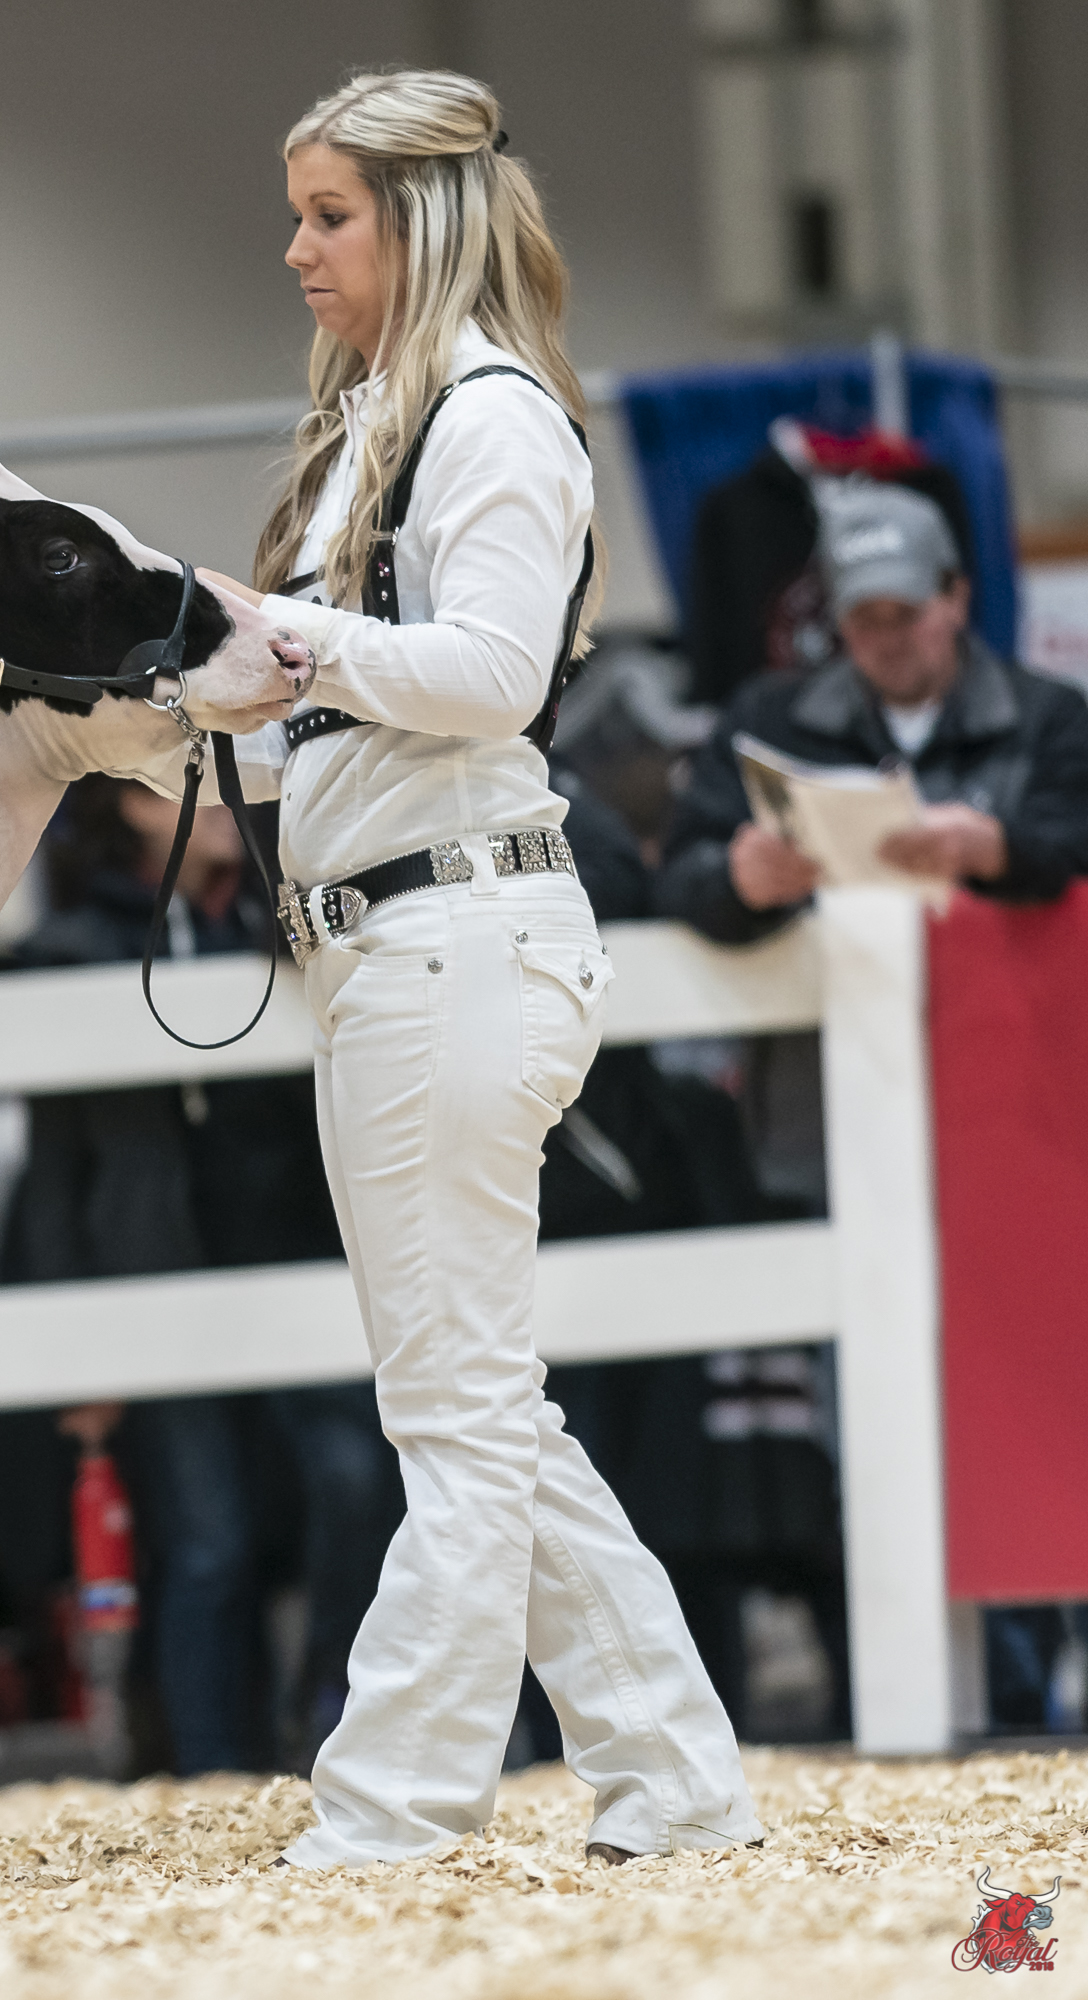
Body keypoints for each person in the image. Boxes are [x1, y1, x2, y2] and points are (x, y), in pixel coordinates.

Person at [193, 68, 764, 1867]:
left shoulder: (492, 416)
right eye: (297, 216)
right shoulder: (379, 421)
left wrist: (285, 637)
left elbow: (496, 675)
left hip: (456, 934)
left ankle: (391, 1808)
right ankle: (677, 1783)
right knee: (481, 1407)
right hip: (393, 944)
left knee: (452, 1412)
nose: (299, 251)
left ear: (422, 218)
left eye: (330, 216)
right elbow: (341, 709)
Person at [0, 778, 364, 1776]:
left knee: (356, 1482)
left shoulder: (292, 919)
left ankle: (333, 1712)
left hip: (300, 1268)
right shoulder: (71, 950)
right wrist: (78, 1355)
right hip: (151, 1279)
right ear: (125, 804)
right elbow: (53, 1172)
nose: (233, 796)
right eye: (192, 778)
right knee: (207, 1545)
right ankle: (213, 1778)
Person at [657, 480, 1088, 940]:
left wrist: (997, 852)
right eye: (865, 619)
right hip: (819, 982)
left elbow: (1075, 847)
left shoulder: (1048, 716)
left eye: (906, 614)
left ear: (957, 599)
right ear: (837, 619)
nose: (889, 640)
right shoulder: (764, 719)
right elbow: (676, 878)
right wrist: (736, 883)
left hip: (992, 979)